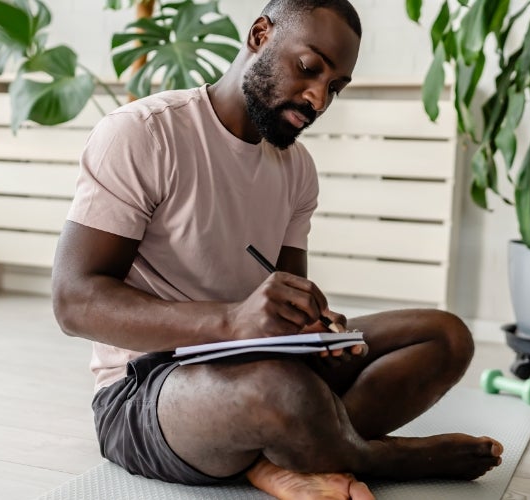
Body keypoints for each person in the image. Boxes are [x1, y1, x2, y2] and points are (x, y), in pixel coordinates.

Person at [51, 0, 503, 497]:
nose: (318, 99)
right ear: (260, 35)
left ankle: (283, 453)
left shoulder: (297, 170)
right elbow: (74, 302)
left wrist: (316, 330)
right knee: (282, 390)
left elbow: (287, 305)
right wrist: (230, 321)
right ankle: (378, 456)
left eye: (335, 87)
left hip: (260, 365)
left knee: (445, 337)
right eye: (309, 68)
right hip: (148, 389)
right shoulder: (144, 134)